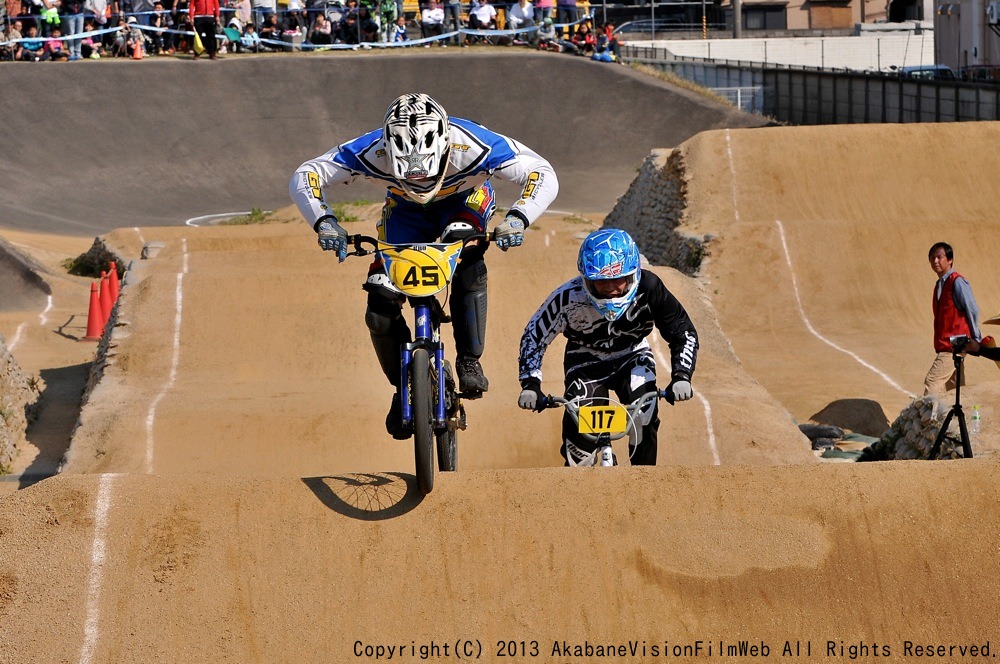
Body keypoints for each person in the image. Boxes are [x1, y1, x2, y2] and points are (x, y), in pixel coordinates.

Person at [289, 93, 559, 438]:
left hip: (466, 202)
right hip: (404, 215)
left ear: (445, 144)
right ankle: (404, 387)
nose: (419, 182)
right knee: (379, 305)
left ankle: (468, 359)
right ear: (387, 149)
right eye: (407, 175)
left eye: (427, 173)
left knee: (468, 250)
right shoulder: (369, 150)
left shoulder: (474, 144)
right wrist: (324, 222)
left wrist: (519, 218)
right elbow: (306, 173)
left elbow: (541, 171)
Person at [516, 228, 699, 466]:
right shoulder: (567, 298)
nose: (611, 288)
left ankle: (645, 483)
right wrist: (531, 384)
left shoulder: (650, 288)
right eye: (601, 282)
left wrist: (682, 375)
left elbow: (683, 331)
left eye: (617, 279)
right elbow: (533, 337)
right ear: (586, 280)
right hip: (585, 360)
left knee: (644, 413)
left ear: (633, 274)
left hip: (633, 355)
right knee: (580, 442)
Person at [924, 241, 981, 395]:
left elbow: (972, 309)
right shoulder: (940, 284)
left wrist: (976, 338)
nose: (935, 261)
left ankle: (930, 419)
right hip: (950, 344)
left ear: (949, 260)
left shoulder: (957, 281)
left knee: (933, 381)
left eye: (939, 257)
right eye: (932, 258)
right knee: (955, 387)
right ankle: (958, 418)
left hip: (954, 344)